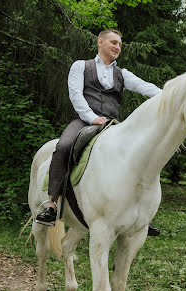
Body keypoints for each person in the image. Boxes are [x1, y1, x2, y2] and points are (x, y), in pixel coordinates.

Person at [36, 29, 162, 236]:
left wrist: (173, 94)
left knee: (141, 155)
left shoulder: (123, 74)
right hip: (84, 121)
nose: (117, 47)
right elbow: (75, 95)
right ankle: (51, 204)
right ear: (100, 42)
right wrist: (92, 117)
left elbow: (146, 87)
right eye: (113, 42)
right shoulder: (81, 66)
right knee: (64, 146)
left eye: (120, 44)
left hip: (112, 125)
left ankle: (140, 216)